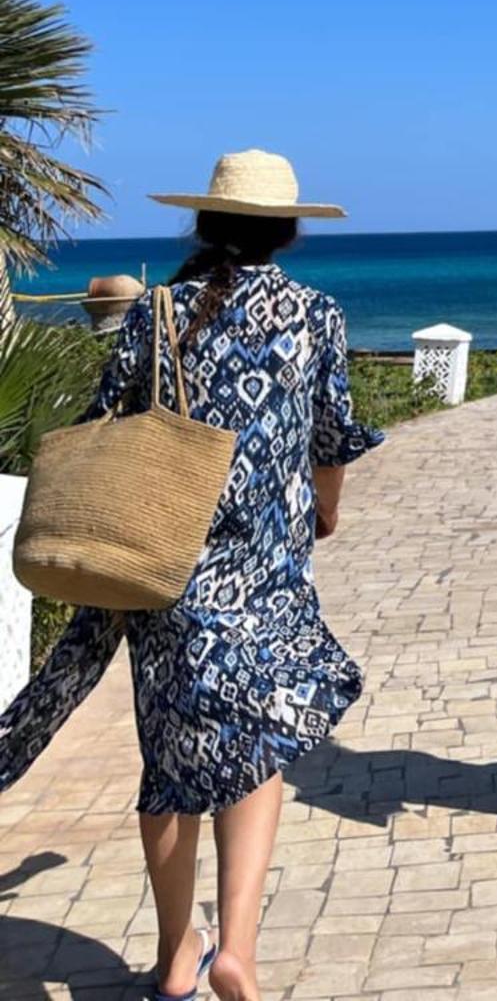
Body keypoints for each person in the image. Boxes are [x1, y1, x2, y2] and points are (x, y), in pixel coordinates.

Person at [0, 149, 381, 1001]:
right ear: (287, 230)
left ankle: (179, 955)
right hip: (270, 573)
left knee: (169, 770)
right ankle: (237, 946)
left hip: (163, 568)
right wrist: (326, 507)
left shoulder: (156, 315)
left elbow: (104, 427)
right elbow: (333, 438)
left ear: (204, 222)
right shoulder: (316, 316)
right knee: (258, 751)